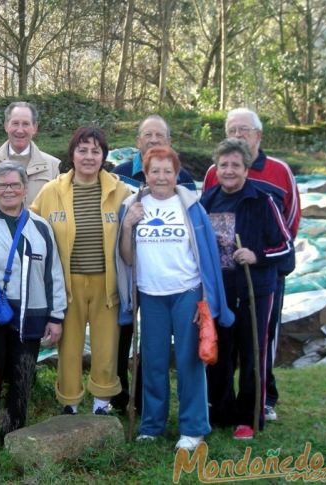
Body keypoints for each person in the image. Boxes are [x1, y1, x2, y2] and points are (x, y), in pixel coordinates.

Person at [116, 146, 233, 451]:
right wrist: (128, 224)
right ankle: (152, 425)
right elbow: (126, 258)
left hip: (187, 293)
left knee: (189, 361)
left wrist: (206, 300)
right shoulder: (132, 205)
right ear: (146, 173)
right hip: (151, 295)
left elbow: (207, 256)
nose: (161, 177)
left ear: (177, 174)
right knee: (152, 363)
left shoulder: (191, 206)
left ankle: (193, 427)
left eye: (168, 171)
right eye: (155, 170)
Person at [0, 162, 67, 451]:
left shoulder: (41, 226)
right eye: (3, 185)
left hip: (31, 315)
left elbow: (53, 273)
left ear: (25, 189)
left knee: (22, 377)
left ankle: (14, 436)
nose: (9, 190)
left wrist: (56, 317)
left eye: (15, 185)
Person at [203, 108, 300, 422]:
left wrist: (260, 255)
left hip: (258, 284)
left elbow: (287, 234)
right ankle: (220, 409)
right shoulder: (208, 195)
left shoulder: (266, 191)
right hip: (221, 286)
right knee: (221, 349)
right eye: (224, 165)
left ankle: (253, 411)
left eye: (236, 165)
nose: (230, 170)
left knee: (255, 347)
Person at [30, 126, 129, 416]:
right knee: (70, 349)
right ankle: (70, 403)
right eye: (82, 150)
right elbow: (32, 228)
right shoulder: (51, 191)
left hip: (106, 284)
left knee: (106, 348)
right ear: (72, 154)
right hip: (67, 284)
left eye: (95, 151)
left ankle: (102, 403)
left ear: (104, 156)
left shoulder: (120, 191)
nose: (88, 156)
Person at [109, 115, 197, 413]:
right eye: (148, 135)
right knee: (124, 336)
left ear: (169, 142)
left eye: (160, 135)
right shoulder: (119, 173)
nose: (154, 140)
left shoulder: (182, 180)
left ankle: (151, 403)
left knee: (158, 349)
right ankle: (121, 397)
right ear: (138, 141)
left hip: (176, 281)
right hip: (132, 273)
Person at [0, 101, 60, 204]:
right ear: (6, 126)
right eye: (15, 123)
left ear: (34, 128)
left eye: (25, 124)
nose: (20, 130)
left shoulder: (52, 166)